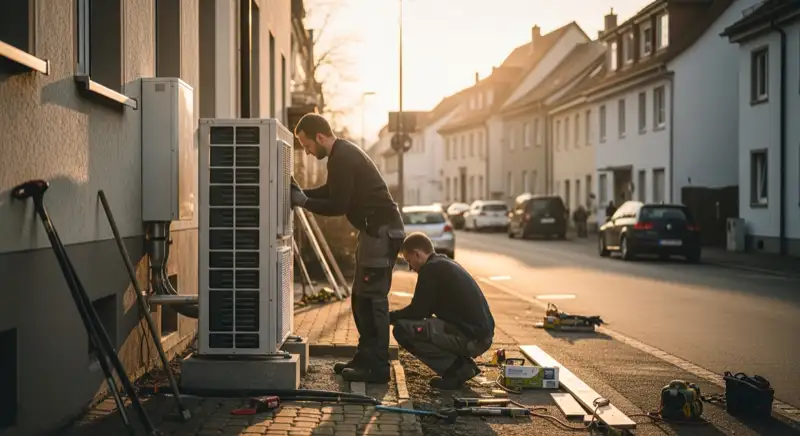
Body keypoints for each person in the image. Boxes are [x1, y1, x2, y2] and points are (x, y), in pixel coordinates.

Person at [290, 113, 405, 384]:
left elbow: (338, 205)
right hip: (374, 232)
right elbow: (332, 191)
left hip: (380, 232)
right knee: (360, 299)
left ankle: (377, 367)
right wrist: (301, 193)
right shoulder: (341, 154)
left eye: (307, 145)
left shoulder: (342, 157)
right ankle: (365, 358)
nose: (307, 152)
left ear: (320, 136)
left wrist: (303, 201)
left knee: (372, 300)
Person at [390, 232, 495, 390]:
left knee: (403, 329)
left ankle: (456, 370)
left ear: (417, 254)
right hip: (479, 335)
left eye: (409, 261)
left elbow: (418, 312)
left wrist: (388, 317)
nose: (410, 268)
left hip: (471, 339)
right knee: (422, 326)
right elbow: (424, 310)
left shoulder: (430, 270)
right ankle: (462, 365)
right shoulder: (444, 263)